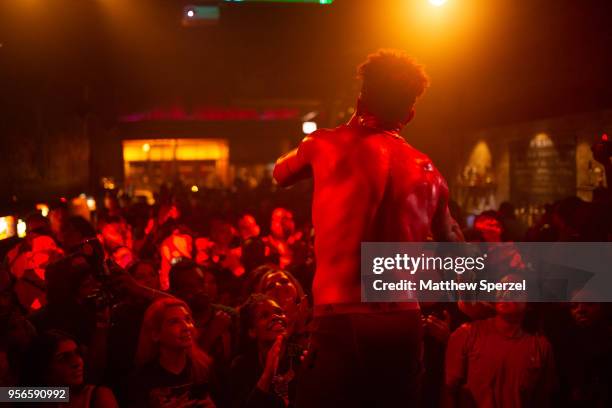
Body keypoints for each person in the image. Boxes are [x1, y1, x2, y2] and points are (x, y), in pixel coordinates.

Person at [273, 49, 463, 406]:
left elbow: (279, 172)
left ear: (360, 101)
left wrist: (348, 125)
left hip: (340, 316)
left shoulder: (324, 144)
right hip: (404, 320)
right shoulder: (430, 172)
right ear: (410, 113)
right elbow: (453, 247)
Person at [443, 275, 556, 408]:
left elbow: (544, 396)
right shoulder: (467, 333)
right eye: (501, 289)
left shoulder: (540, 346)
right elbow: (450, 390)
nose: (505, 294)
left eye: (515, 290)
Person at [129, 297, 217, 408]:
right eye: (174, 322)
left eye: (188, 319)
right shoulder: (142, 379)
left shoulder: (204, 368)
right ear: (156, 333)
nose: (186, 327)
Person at [231, 294, 302, 408]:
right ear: (252, 331)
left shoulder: (300, 355)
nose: (275, 316)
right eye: (264, 315)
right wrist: (267, 375)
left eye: (279, 312)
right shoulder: (242, 365)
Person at [21, 330, 118, 408]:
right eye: (62, 357)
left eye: (77, 353)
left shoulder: (98, 396)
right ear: (43, 367)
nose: (77, 362)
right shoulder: (40, 396)